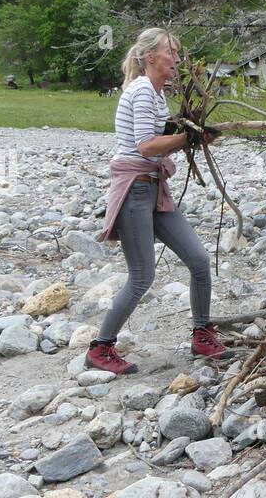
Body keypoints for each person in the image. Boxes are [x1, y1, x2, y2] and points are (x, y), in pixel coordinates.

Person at [86, 27, 223, 375]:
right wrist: (187, 138)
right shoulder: (144, 91)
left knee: (198, 259)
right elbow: (146, 146)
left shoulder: (157, 95)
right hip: (135, 188)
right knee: (141, 276)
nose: (177, 60)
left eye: (177, 54)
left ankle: (202, 333)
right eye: (171, 53)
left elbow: (159, 140)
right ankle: (101, 348)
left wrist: (191, 135)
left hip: (153, 188)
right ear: (151, 57)